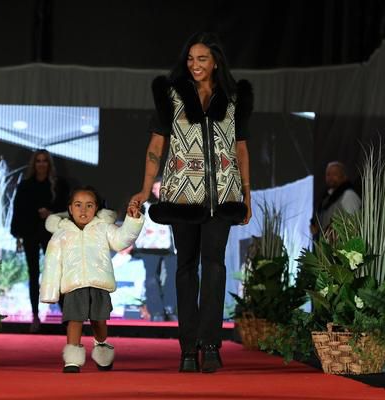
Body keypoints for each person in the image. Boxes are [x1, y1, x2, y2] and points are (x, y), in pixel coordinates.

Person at [130, 32, 253, 373]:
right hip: (182, 195)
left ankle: (211, 345)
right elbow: (156, 146)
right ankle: (187, 349)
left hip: (224, 196)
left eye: (202, 59)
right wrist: (144, 190)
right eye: (190, 59)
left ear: (215, 62)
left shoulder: (232, 98)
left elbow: (240, 147)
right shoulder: (171, 97)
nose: (195, 65)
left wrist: (246, 193)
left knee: (214, 268)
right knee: (185, 270)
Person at [40, 186, 144, 373]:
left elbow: (121, 240)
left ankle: (102, 347)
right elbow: (52, 263)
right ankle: (72, 359)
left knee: (99, 321)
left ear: (96, 208)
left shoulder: (104, 228)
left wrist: (132, 220)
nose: (83, 210)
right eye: (78, 205)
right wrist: (50, 292)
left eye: (89, 205)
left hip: (99, 284)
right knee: (74, 320)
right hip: (73, 285)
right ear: (70, 209)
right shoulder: (61, 234)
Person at [10, 149, 69, 333]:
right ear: (34, 164)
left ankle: (66, 315)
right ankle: (35, 316)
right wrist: (18, 235)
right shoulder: (25, 186)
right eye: (38, 161)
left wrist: (51, 214)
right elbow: (18, 211)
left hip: (52, 234)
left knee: (56, 274)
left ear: (49, 164)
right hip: (30, 234)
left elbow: (68, 209)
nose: (41, 164)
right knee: (33, 275)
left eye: (44, 161)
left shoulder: (59, 185)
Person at [132, 178, 178, 322]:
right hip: (150, 248)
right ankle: (156, 311)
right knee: (151, 278)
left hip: (172, 247)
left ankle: (170, 308)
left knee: (173, 277)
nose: (158, 191)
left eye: (161, 188)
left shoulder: (177, 205)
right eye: (156, 189)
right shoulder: (145, 205)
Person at [311, 161, 361, 239]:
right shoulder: (326, 199)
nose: (330, 177)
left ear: (344, 176)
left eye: (334, 174)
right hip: (326, 248)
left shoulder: (349, 195)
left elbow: (353, 225)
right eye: (328, 174)